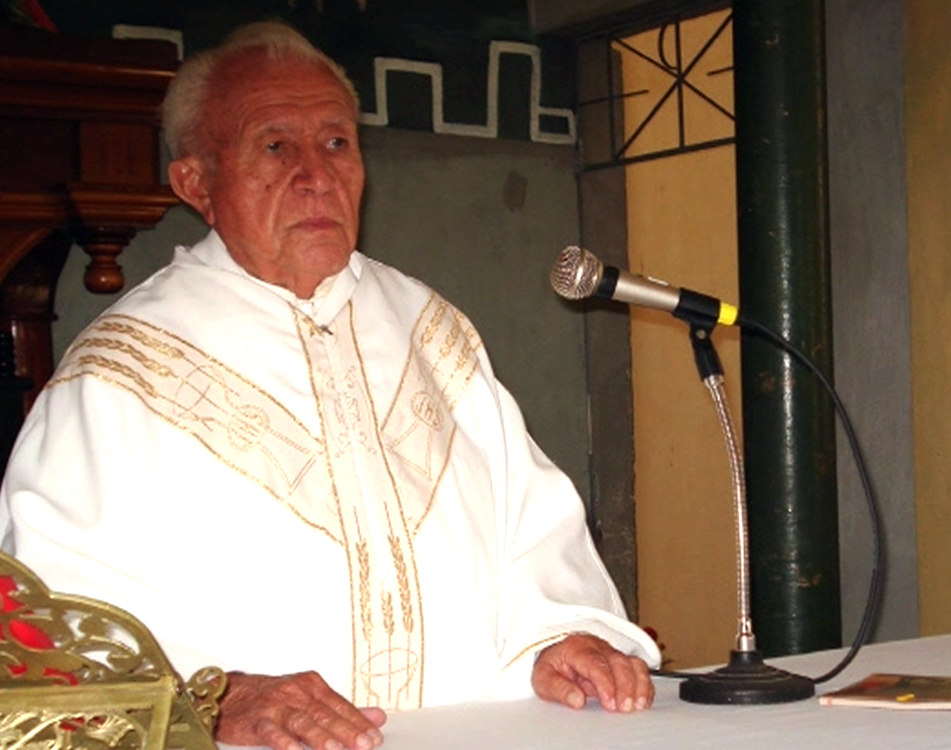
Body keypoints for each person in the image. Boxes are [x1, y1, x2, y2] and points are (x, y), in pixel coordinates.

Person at [0, 21, 661, 750]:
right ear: (196, 182)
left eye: (337, 142)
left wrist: (560, 636)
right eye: (275, 145)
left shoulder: (432, 335)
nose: (316, 174)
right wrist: (217, 697)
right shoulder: (115, 378)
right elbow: (52, 620)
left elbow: (533, 535)